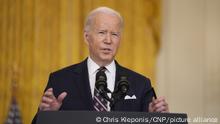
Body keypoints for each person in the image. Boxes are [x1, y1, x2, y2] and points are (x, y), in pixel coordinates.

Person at [32, 6, 169, 123]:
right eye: (102, 33)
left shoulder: (140, 84)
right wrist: (46, 115)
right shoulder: (60, 80)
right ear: (87, 37)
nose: (108, 40)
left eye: (114, 34)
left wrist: (156, 118)